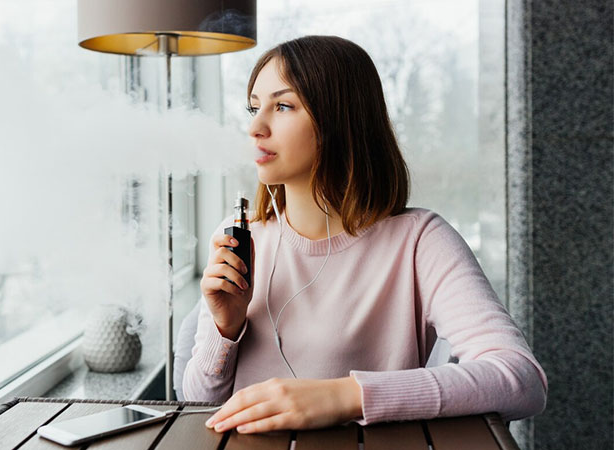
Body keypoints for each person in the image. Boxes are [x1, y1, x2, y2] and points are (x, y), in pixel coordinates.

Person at [182, 35, 547, 434]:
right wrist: (226, 328)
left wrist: (344, 397)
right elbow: (197, 408)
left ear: (341, 120)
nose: (254, 127)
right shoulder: (239, 236)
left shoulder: (420, 241)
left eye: (282, 106)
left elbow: (520, 379)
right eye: (254, 107)